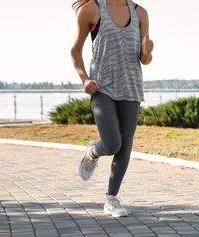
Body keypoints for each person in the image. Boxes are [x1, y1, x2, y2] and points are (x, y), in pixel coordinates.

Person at [71, 0, 153, 218]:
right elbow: (75, 51)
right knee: (112, 143)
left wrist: (147, 52)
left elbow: (145, 60)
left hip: (131, 88)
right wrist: (84, 79)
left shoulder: (140, 13)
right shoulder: (92, 9)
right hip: (102, 87)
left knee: (124, 147)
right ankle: (93, 152)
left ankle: (111, 198)